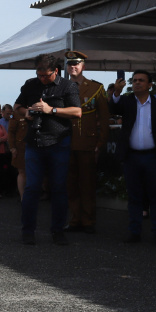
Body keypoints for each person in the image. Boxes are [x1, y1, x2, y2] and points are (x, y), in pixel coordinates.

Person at [14, 53, 82, 246]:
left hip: (59, 143)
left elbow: (77, 112)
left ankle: (58, 230)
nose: (42, 78)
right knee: (32, 188)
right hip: (34, 142)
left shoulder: (67, 86)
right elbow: (17, 106)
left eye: (46, 75)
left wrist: (50, 110)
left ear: (56, 71)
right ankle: (28, 231)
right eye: (39, 75)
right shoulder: (30, 84)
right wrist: (26, 112)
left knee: (59, 188)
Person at [110, 71, 156, 245]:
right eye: (135, 80)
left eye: (141, 81)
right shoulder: (126, 101)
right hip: (132, 157)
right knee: (134, 196)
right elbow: (113, 108)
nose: (137, 83)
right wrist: (116, 92)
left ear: (150, 85)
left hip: (154, 157)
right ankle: (134, 232)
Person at [63, 51, 110, 234]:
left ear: (84, 66)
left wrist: (101, 142)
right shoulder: (61, 87)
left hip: (88, 144)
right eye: (69, 64)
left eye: (76, 64)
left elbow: (105, 119)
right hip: (66, 143)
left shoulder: (96, 88)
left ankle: (88, 221)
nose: (72, 67)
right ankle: (75, 220)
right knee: (71, 185)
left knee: (87, 184)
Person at [7, 106, 28, 199]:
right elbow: (11, 132)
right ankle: (23, 197)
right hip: (21, 147)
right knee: (22, 171)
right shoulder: (16, 114)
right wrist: (12, 147)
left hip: (35, 146)